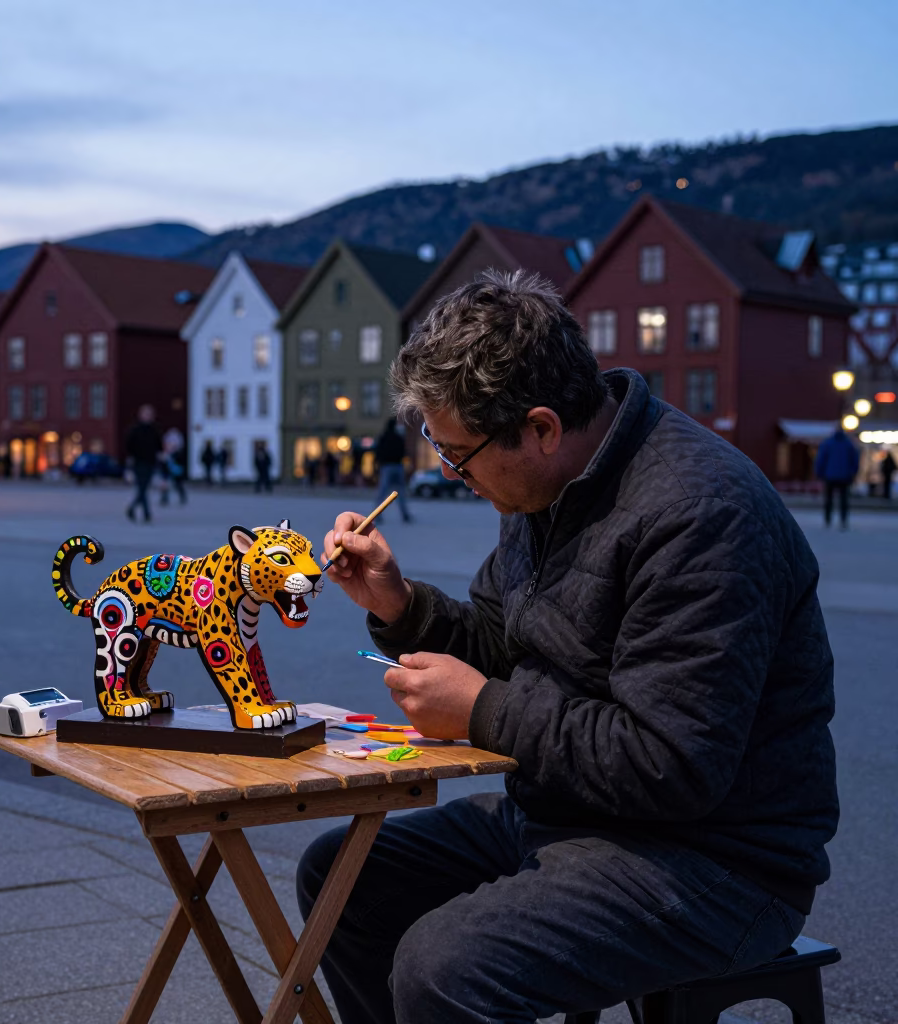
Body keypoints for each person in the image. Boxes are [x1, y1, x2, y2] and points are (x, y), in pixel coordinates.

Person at [299, 271, 838, 1024]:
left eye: (460, 455)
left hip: (718, 857)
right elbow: (499, 642)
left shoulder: (702, 516)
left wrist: (483, 710)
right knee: (340, 877)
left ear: (542, 427)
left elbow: (672, 765)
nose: (455, 475)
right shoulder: (541, 484)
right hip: (569, 814)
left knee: (443, 967)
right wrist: (399, 603)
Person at [815, 427, 860, 529]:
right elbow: (855, 461)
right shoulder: (849, 444)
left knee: (828, 499)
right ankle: (843, 520)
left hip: (829, 476)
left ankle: (827, 520)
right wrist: (853, 473)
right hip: (845, 476)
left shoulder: (827, 443)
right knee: (844, 500)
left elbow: (820, 460)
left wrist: (819, 473)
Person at [125, 404, 162, 522]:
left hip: (150, 463)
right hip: (139, 463)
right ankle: (147, 514)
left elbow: (159, 446)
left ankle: (132, 508)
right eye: (146, 414)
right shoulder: (135, 430)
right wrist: (131, 458)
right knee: (142, 488)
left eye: (150, 414)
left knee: (143, 489)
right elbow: (129, 445)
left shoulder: (154, 430)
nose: (148, 416)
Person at [374, 418, 412, 522]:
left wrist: (377, 465)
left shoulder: (383, 437)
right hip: (398, 466)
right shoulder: (399, 438)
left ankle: (377, 515)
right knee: (400, 492)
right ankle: (405, 515)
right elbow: (404, 452)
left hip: (386, 466)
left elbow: (378, 452)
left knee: (382, 492)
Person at [159, 426, 187, 506]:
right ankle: (164, 498)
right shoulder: (165, 454)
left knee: (178, 483)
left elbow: (180, 463)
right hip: (166, 471)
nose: (169, 445)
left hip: (175, 470)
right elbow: (162, 464)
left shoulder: (178, 454)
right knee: (164, 483)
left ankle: (182, 496)